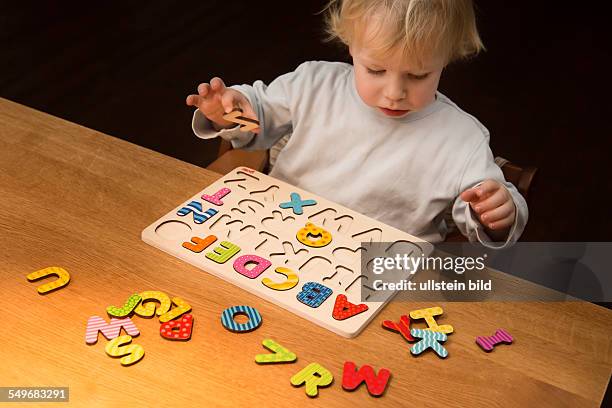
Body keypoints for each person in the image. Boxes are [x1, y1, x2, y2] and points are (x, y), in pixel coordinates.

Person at [186, 0, 528, 249]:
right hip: (277, 237)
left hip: (381, 274)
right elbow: (256, 120)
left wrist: (499, 214)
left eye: (418, 75)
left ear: (447, 58)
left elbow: (484, 222)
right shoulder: (313, 83)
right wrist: (230, 111)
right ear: (351, 45)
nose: (394, 93)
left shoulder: (462, 139)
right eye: (376, 70)